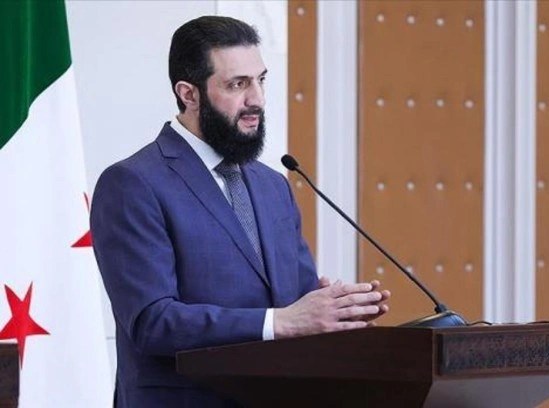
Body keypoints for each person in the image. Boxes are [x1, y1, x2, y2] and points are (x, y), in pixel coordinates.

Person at [91, 16, 390, 408]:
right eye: (238, 84)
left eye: (261, 80)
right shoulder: (133, 184)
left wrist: (333, 311)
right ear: (189, 94)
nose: (257, 100)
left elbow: (295, 305)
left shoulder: (273, 185)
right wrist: (282, 322)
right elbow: (153, 322)